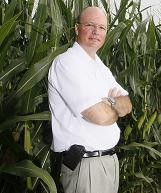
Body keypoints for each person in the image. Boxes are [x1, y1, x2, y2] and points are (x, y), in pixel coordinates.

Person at [48, 6, 132, 193]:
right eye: (90, 25)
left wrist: (110, 105)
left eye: (102, 28)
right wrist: (114, 105)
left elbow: (127, 103)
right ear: (77, 28)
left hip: (109, 161)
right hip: (86, 166)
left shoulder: (100, 67)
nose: (96, 32)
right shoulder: (67, 63)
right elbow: (99, 116)